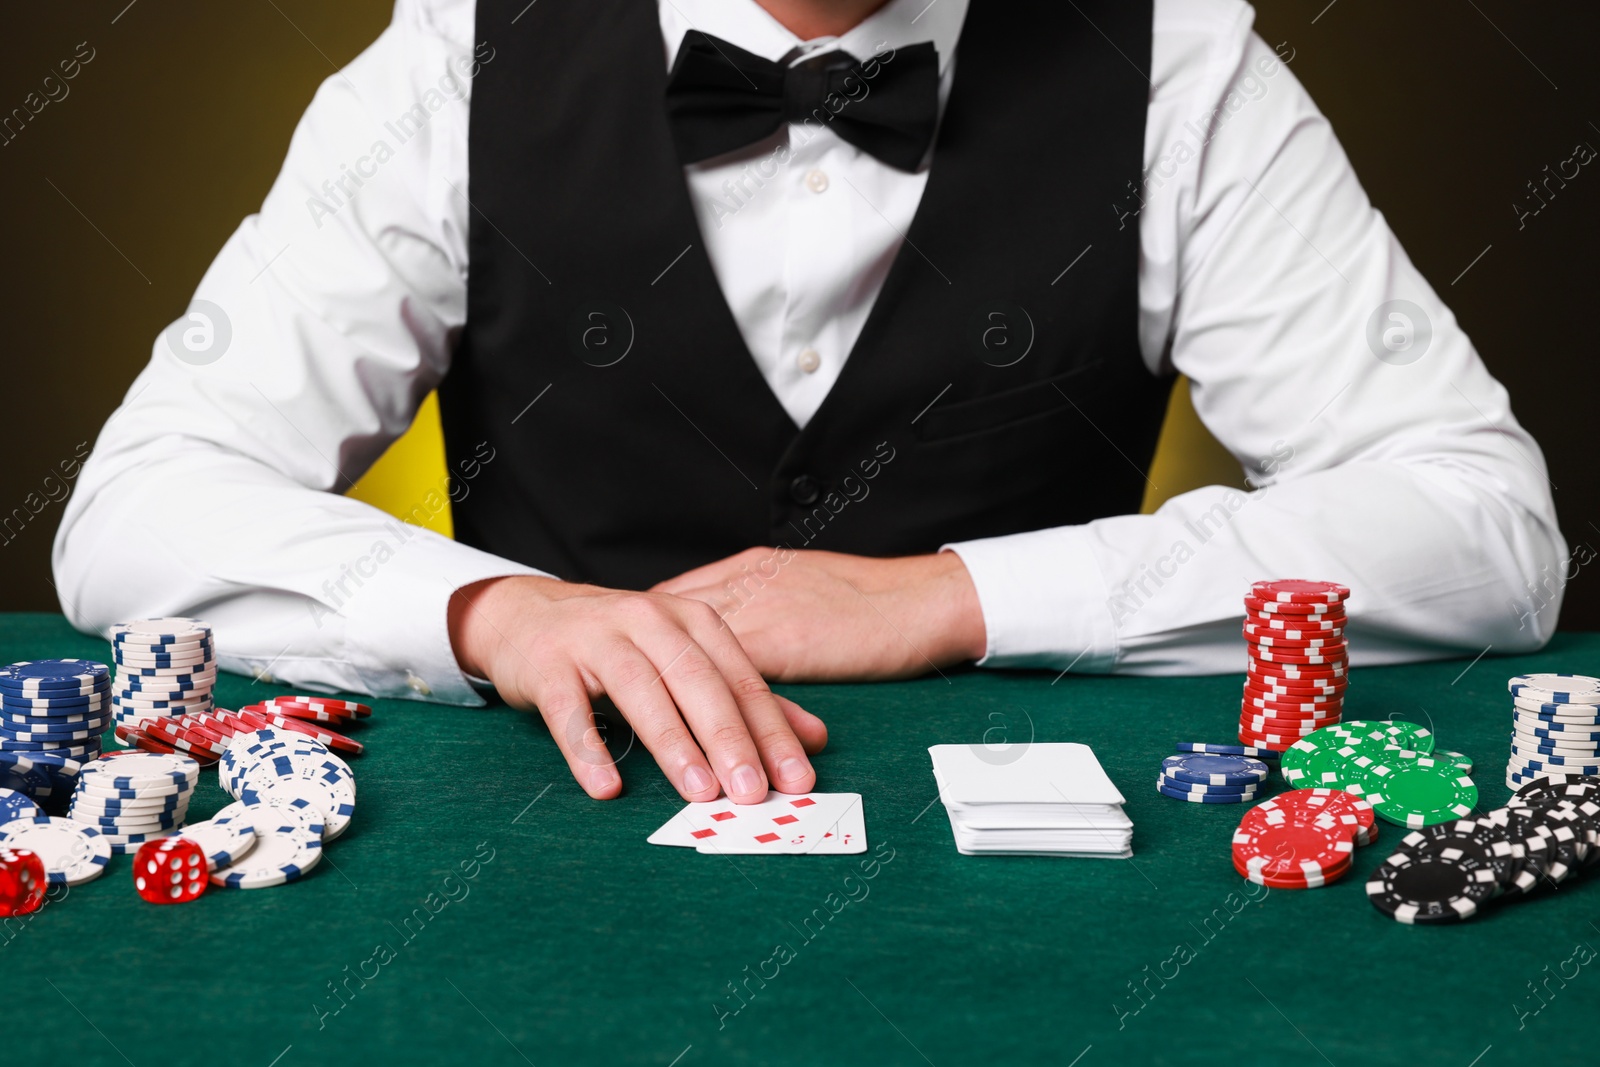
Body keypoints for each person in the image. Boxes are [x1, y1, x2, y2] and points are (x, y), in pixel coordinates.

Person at [54, 0, 1565, 805]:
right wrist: (496, 616)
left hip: (1033, 908)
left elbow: (1485, 530)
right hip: (551, 845)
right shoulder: (452, 61)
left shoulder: (1182, 64)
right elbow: (134, 507)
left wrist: (958, 595)